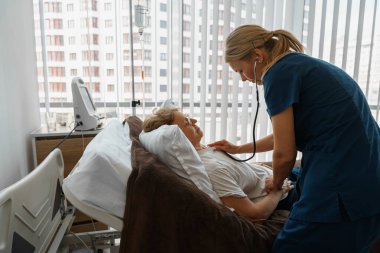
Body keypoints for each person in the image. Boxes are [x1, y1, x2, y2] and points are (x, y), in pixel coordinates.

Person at [207, 24, 380, 252]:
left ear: (257, 56)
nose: (242, 79)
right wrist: (239, 148)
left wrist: (276, 184)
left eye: (240, 70)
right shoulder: (298, 65)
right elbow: (285, 136)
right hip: (368, 173)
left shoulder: (278, 74)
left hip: (346, 182)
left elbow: (285, 153)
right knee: (297, 186)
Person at [143, 107, 297, 222]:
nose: (195, 121)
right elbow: (254, 215)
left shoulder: (206, 149)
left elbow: (238, 174)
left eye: (189, 118)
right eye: (187, 123)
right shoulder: (211, 168)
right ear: (179, 138)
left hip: (282, 176)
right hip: (287, 193)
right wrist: (278, 188)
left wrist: (259, 167)